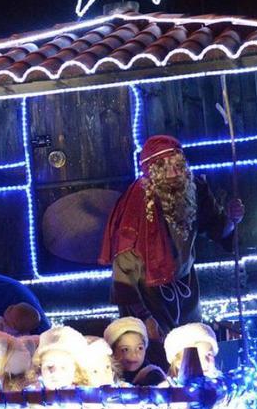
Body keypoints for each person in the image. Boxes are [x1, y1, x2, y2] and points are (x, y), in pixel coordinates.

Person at [99, 135, 245, 342]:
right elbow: (124, 259)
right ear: (152, 171)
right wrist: (143, 316)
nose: (174, 173)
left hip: (185, 286)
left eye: (178, 166)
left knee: (192, 350)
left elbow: (216, 227)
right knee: (156, 354)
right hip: (147, 290)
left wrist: (232, 219)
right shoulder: (139, 200)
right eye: (165, 168)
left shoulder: (194, 188)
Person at [104, 316, 166, 386]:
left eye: (140, 348)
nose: (134, 355)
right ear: (113, 351)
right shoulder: (106, 376)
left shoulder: (153, 376)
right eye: (125, 349)